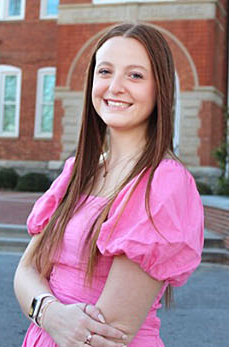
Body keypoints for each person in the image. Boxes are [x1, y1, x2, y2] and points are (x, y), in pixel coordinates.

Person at [12, 22, 204, 347]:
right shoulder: (77, 171)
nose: (115, 87)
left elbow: (106, 335)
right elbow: (24, 272)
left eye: (135, 75)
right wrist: (49, 313)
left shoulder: (163, 184)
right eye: (105, 72)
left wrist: (44, 309)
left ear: (160, 89)